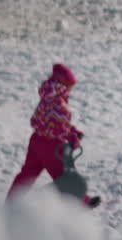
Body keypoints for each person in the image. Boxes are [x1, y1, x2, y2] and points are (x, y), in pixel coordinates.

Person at [8, 63, 101, 207]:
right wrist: (72, 137)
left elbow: (51, 123)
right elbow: (57, 128)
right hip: (51, 146)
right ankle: (83, 202)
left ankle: (11, 202)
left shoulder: (47, 97)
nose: (70, 90)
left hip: (36, 140)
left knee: (27, 174)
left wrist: (72, 130)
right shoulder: (59, 104)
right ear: (63, 84)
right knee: (65, 177)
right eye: (70, 86)